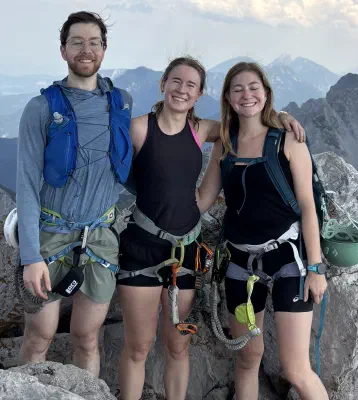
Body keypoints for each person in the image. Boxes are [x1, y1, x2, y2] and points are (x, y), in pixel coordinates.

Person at [116, 57, 305, 400]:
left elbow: (248, 122)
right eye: (176, 81)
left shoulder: (201, 130)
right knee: (138, 346)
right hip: (142, 246)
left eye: (191, 85)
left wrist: (281, 116)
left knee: (178, 346)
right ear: (163, 84)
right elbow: (117, 170)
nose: (182, 90)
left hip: (185, 251)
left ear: (200, 93)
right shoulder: (139, 129)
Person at [196, 62, 329, 400]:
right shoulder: (224, 144)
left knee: (296, 369)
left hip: (288, 259)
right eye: (237, 89)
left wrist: (315, 268)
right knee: (246, 358)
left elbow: (307, 206)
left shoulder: (288, 140)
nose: (247, 95)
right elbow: (202, 200)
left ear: (266, 93)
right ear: (228, 97)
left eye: (254, 87)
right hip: (240, 263)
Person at [15, 11, 133, 377]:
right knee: (39, 336)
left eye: (94, 42)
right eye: (77, 42)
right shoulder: (41, 108)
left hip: (100, 239)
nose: (86, 50)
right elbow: (26, 184)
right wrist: (30, 256)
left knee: (87, 337)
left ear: (104, 49)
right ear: (63, 50)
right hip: (51, 236)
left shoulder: (121, 103)